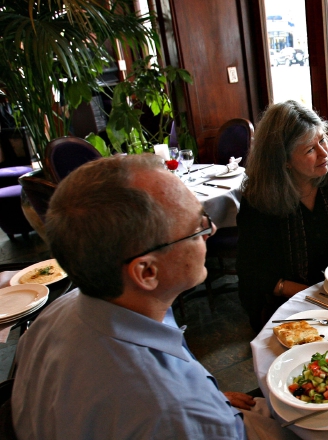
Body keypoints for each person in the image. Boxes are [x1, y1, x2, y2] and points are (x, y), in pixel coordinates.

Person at [11, 155, 293, 440]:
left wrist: (209, 399)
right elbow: (166, 411)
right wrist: (197, 411)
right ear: (147, 272)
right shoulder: (172, 412)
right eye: (198, 228)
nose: (212, 231)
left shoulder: (52, 314)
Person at [237, 100, 328, 332]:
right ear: (284, 161)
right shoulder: (259, 200)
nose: (324, 152)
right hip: (295, 305)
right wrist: (321, 294)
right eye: (310, 149)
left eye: (322, 140)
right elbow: (257, 275)